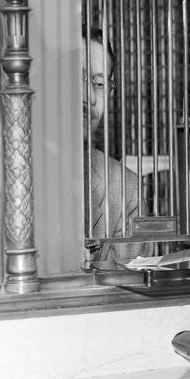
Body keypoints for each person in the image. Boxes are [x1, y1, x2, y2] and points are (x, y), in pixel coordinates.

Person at [82, 26, 143, 268]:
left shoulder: (124, 188)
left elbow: (128, 293)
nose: (90, 97)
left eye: (99, 83)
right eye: (78, 77)